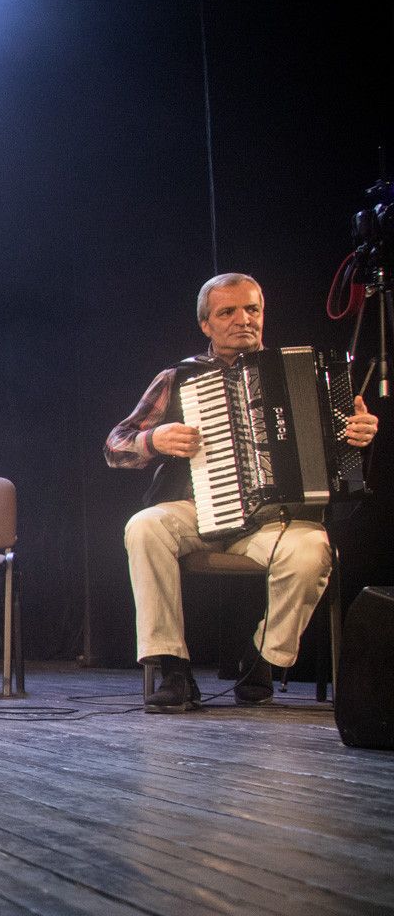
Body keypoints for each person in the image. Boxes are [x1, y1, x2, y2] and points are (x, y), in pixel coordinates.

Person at [106, 272, 378, 712]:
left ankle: (262, 659)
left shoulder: (308, 374)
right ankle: (173, 668)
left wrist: (358, 435)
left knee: (311, 551)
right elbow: (115, 446)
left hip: (275, 519)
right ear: (206, 324)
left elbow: (344, 461)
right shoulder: (179, 377)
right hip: (196, 511)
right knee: (144, 527)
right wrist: (154, 439)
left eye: (252, 309)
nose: (243, 320)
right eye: (227, 312)